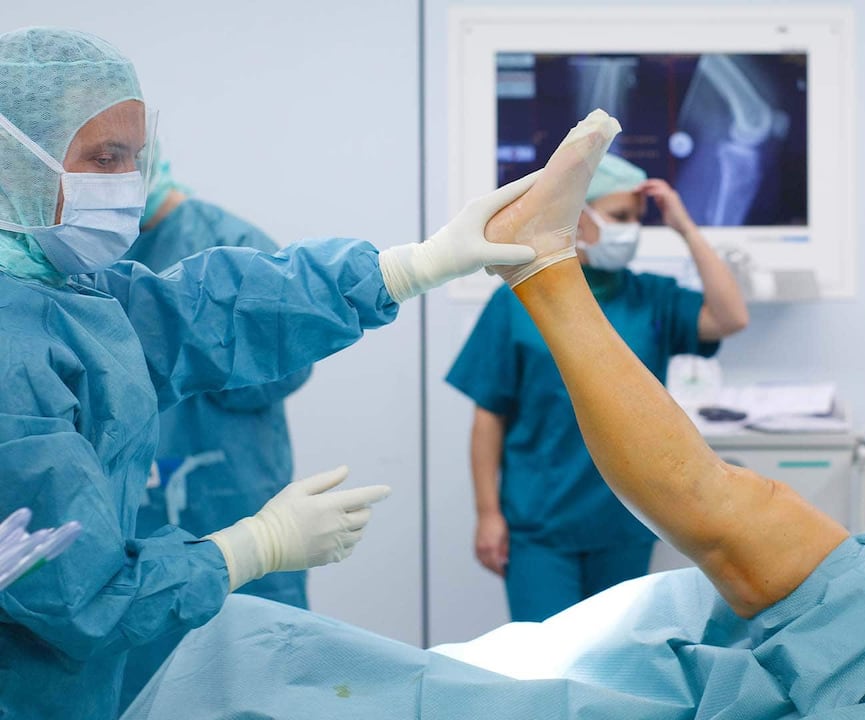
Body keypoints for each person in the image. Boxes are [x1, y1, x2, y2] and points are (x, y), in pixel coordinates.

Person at [0, 26, 548, 720]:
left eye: (135, 159)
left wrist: (409, 267)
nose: (126, 187)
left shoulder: (74, 295)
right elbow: (77, 599)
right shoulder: (10, 351)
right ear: (13, 163)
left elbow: (212, 311)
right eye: (103, 159)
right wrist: (250, 547)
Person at [447, 153, 750, 622]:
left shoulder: (651, 297)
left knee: (619, 666)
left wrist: (686, 228)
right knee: (547, 668)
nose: (629, 229)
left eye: (636, 218)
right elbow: (489, 417)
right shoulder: (519, 299)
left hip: (628, 519)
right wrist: (488, 513)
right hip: (540, 525)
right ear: (576, 214)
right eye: (619, 216)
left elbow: (731, 317)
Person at [114, 148, 316, 712]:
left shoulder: (233, 247)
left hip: (229, 497)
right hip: (128, 522)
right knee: (135, 678)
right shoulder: (90, 258)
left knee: (251, 672)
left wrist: (190, 346)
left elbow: (288, 365)